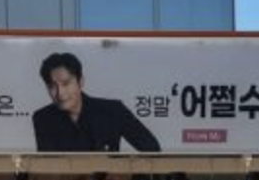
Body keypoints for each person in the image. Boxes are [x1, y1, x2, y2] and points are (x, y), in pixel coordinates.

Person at [31, 52, 161, 153]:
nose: (60, 93)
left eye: (66, 83)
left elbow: (152, 149)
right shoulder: (42, 118)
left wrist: (127, 176)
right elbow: (49, 168)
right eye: (52, 86)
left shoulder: (113, 111)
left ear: (81, 81)